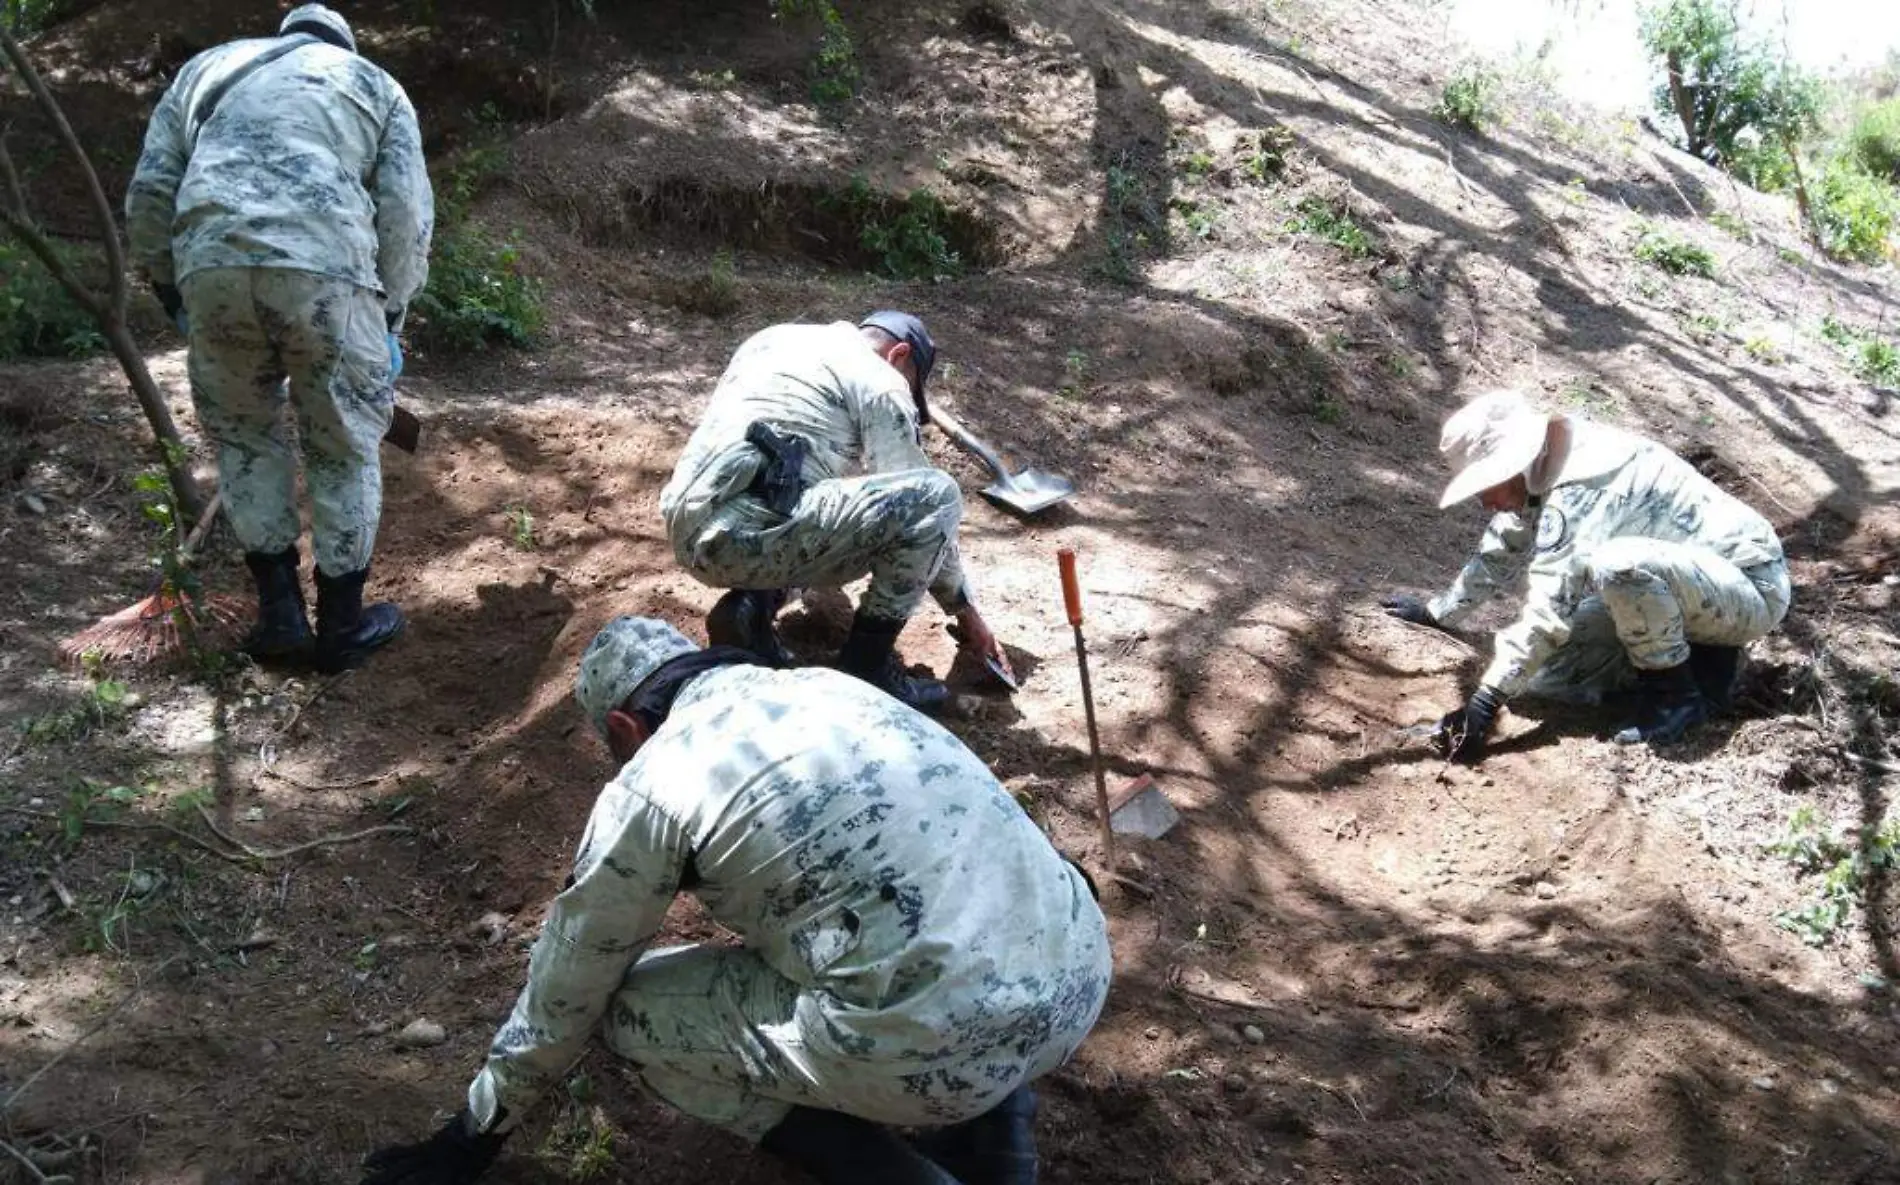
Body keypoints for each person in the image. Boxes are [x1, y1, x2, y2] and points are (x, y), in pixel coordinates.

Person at [359, 615, 1112, 1185]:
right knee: (912, 929)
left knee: (627, 1010)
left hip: (936, 1039)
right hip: (1075, 975)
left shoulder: (656, 779)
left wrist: (471, 1136)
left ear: (624, 726)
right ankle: (999, 1133)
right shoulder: (828, 685)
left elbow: (570, 985)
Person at [125, 4, 434, 672]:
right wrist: (391, 319)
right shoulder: (374, 84)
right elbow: (406, 217)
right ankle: (342, 630)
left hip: (210, 265)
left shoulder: (205, 70)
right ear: (342, 43)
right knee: (342, 446)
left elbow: (150, 195)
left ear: (286, 33)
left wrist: (174, 291)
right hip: (327, 273)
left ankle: (282, 619)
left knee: (244, 436)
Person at [1382, 390, 1790, 761]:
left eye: (1487, 484)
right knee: (1543, 678)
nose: (1485, 500)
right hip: (1685, 588)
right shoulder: (1545, 464)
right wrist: (1440, 612)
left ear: (1514, 462)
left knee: (1617, 564)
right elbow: (1504, 543)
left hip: (1750, 587)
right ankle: (1699, 659)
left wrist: (1484, 704)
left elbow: (1548, 611)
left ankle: (1676, 698)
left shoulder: (1582, 485)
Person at [658, 312, 1011, 714]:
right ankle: (868, 667)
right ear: (899, 354)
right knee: (938, 495)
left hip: (690, 521)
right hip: (748, 529)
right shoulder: (882, 380)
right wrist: (966, 611)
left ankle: (751, 609)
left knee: (821, 502)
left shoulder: (775, 338)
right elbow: (921, 507)